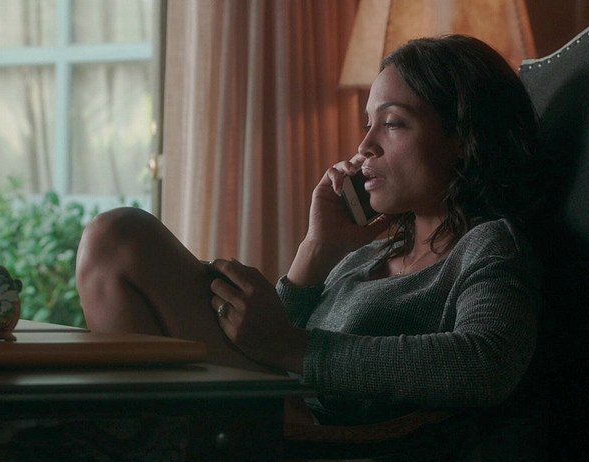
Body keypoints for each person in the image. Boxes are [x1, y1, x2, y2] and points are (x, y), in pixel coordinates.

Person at [75, 34, 542, 428]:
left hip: (324, 445)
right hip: (282, 415)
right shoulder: (368, 256)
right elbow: (272, 345)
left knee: (123, 237)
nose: (365, 145)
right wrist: (315, 253)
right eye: (368, 124)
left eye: (392, 123)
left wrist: (292, 347)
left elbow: (486, 363)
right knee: (112, 242)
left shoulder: (489, 245)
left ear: (462, 138)